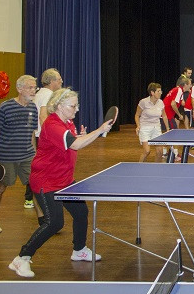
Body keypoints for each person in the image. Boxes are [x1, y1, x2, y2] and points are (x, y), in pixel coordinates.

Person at [8, 88, 114, 278]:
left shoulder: (68, 122)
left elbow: (74, 141)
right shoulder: (53, 125)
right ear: (58, 106)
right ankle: (21, 258)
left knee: (81, 212)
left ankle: (79, 250)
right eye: (72, 106)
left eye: (76, 105)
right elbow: (75, 144)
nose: (76, 109)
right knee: (54, 223)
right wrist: (100, 130)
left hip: (64, 179)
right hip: (46, 180)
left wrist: (82, 135)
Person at [0, 75, 41, 233]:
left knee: (34, 185)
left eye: (34, 88)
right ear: (19, 89)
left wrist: (35, 154)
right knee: (1, 187)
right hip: (7, 157)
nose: (33, 90)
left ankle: (42, 218)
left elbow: (31, 133)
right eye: (30, 87)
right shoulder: (5, 107)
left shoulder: (33, 108)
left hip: (27, 156)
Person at [135, 83, 170, 163]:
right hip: (145, 128)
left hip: (156, 127)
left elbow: (164, 116)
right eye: (158, 91)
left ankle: (156, 169)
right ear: (152, 93)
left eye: (161, 91)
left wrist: (167, 128)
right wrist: (138, 126)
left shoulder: (161, 102)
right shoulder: (143, 102)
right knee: (147, 151)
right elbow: (137, 115)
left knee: (160, 152)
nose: (161, 92)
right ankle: (139, 166)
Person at [33, 68, 63, 146]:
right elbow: (43, 117)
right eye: (59, 79)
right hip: (42, 136)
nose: (61, 81)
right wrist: (49, 136)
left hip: (37, 135)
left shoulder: (40, 93)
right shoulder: (48, 95)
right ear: (51, 81)